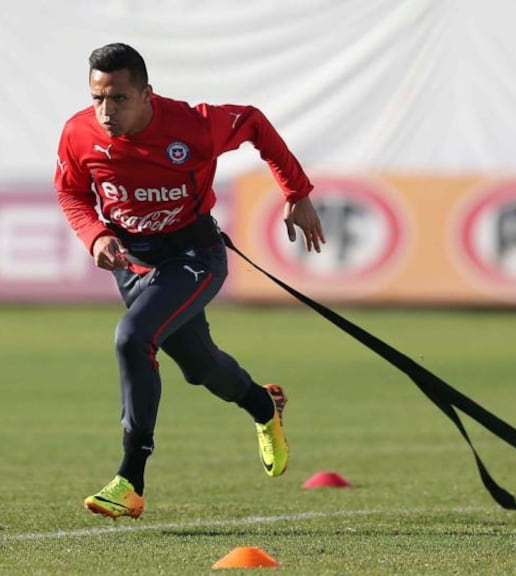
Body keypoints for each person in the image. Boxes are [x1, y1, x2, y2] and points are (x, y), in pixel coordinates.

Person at [54, 43, 325, 520]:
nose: (106, 111)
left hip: (194, 256)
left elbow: (255, 123)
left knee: (132, 338)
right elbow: (71, 193)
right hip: (133, 266)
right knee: (201, 367)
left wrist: (297, 192)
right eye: (98, 98)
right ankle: (264, 405)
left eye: (118, 98)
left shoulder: (194, 126)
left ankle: (130, 480)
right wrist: (94, 236)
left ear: (147, 95)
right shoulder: (78, 134)